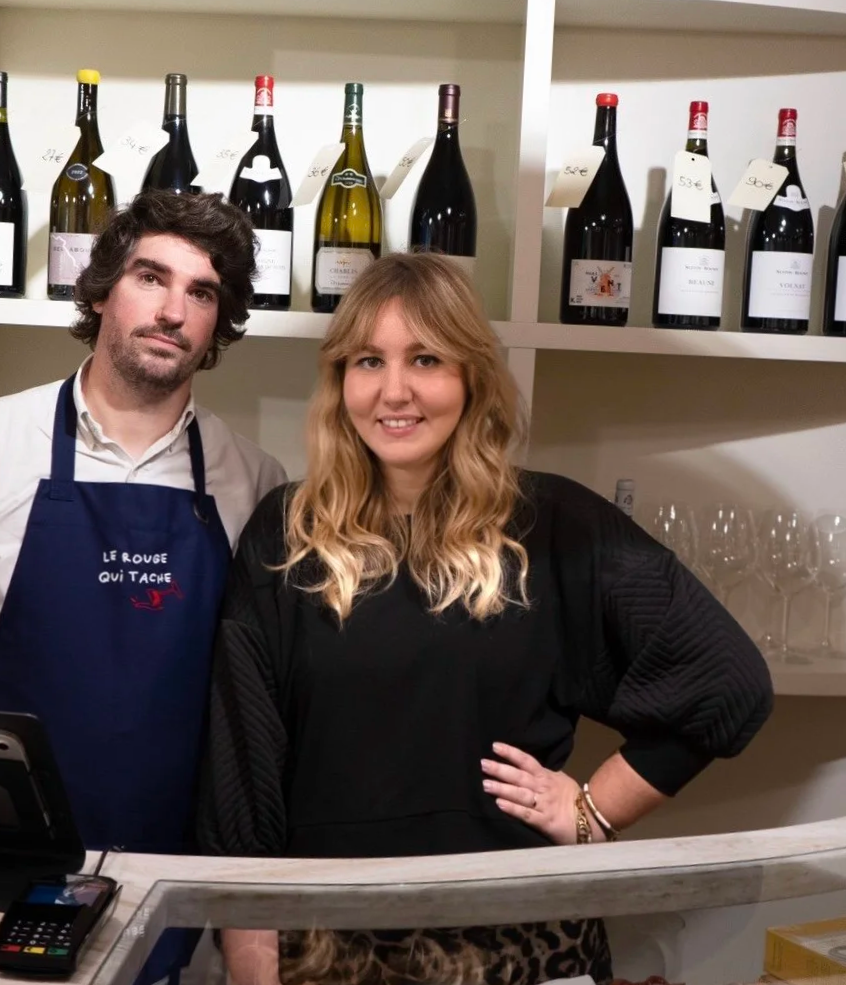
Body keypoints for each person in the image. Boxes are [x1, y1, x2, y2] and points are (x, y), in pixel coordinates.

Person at [197, 253, 774, 985]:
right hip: (330, 944)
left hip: (522, 938)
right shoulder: (287, 531)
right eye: (368, 361)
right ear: (340, 380)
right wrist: (252, 964)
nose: (394, 391)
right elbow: (240, 768)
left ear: (471, 376)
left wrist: (594, 809)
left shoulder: (554, 524)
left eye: (426, 359)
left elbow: (727, 681)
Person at [0, 190, 287, 984]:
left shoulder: (252, 478)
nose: (172, 310)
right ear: (98, 292)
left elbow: (255, 703)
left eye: (201, 292)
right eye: (150, 278)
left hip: (171, 863)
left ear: (217, 324)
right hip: (0, 858)